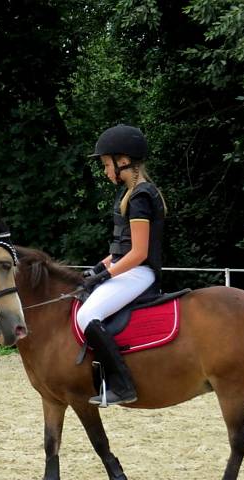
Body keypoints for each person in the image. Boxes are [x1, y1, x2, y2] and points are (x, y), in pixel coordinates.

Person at [79, 124, 167, 406]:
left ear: (123, 161)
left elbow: (139, 253)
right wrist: (98, 267)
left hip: (139, 272)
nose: (105, 171)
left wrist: (105, 275)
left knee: (87, 316)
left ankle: (121, 384)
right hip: (128, 267)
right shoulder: (128, 193)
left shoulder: (141, 197)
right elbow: (121, 248)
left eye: (107, 164)